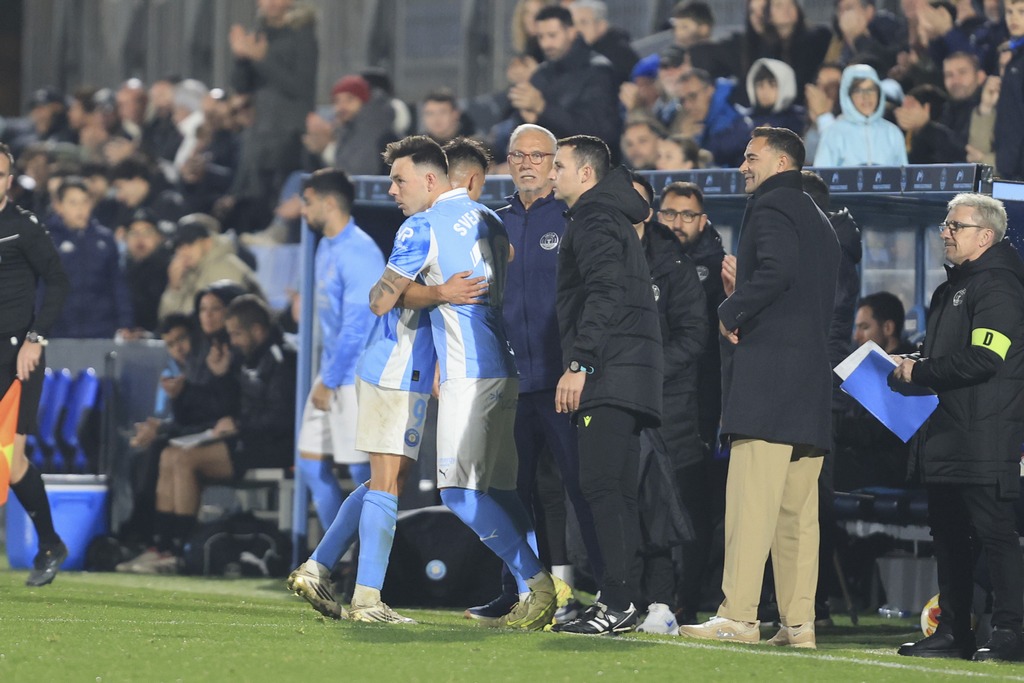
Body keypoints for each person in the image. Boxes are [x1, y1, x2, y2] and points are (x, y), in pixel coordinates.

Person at [364, 135, 567, 630]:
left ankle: (538, 583)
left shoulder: (422, 226)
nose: (393, 190)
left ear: (431, 179)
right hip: (506, 369)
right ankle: (529, 594)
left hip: (467, 371)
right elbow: (507, 260)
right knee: (504, 491)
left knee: (458, 493)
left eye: (400, 180)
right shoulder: (491, 218)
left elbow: (379, 300)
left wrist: (434, 292)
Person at [679, 127, 840, 649]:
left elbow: (776, 269)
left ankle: (739, 615)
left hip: (769, 382)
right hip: (808, 386)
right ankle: (798, 625)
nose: (743, 166)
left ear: (780, 163)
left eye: (751, 157)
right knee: (797, 517)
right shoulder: (819, 217)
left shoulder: (771, 206)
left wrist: (731, 308)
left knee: (750, 505)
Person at [466, 123, 604, 626]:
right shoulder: (491, 223)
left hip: (565, 381)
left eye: (538, 156)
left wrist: (582, 365)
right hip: (509, 384)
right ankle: (518, 593)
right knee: (510, 494)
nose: (526, 164)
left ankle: (609, 595)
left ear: (554, 164)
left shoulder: (573, 218)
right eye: (517, 155)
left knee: (584, 490)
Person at [893, 193, 1024, 662]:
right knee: (948, 535)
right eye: (945, 225)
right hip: (947, 430)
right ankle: (953, 630)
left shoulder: (999, 285)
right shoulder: (951, 288)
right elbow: (949, 356)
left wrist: (920, 371)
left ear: (985, 235)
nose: (945, 233)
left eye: (956, 226)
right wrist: (910, 363)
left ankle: (1011, 632)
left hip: (984, 433)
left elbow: (987, 357)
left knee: (994, 534)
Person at [548, 135, 663, 634]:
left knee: (601, 487)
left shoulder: (593, 217)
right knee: (616, 491)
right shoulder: (610, 215)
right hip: (629, 372)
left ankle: (616, 603)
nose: (551, 174)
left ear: (586, 174)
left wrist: (580, 364)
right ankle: (623, 602)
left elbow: (604, 292)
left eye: (559, 166)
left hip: (610, 372)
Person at [628, 172, 708, 635]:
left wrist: (647, 372)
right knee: (627, 504)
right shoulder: (603, 252)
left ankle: (677, 603)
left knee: (671, 510)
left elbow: (693, 335)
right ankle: (630, 599)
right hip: (622, 402)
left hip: (669, 408)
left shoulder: (673, 263)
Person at [294, 169, 381, 533]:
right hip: (331, 370)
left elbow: (357, 327)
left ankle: (375, 554)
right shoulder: (325, 246)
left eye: (307, 202)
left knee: (363, 471)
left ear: (329, 203)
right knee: (310, 463)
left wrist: (329, 380)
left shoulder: (361, 252)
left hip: (354, 374)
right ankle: (337, 554)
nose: (302, 211)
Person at [0, 142, 71, 586]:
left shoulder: (22, 227)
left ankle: (49, 543)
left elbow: (59, 282)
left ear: (9, 181)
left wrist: (35, 338)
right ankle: (50, 544)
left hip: (16, 359)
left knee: (10, 460)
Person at [655, 181, 727, 622]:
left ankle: (688, 597)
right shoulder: (648, 258)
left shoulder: (718, 270)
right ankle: (660, 593)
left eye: (687, 215)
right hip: (659, 398)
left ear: (704, 221)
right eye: (670, 213)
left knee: (694, 506)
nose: (677, 222)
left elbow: (711, 346)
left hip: (701, 404)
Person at [229, 0, 317, 217]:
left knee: (280, 194)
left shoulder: (302, 33)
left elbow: (301, 86)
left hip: (289, 130)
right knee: (255, 198)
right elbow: (242, 85)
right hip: (260, 129)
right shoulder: (260, 31)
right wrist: (241, 58)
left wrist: (262, 59)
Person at [510, 6, 621, 152]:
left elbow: (597, 132)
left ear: (571, 32)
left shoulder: (598, 71)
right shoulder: (542, 74)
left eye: (552, 35)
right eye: (541, 37)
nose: (545, 44)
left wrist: (542, 108)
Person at [45, 176, 133, 339]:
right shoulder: (46, 240)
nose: (80, 209)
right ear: (59, 206)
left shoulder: (105, 239)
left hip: (102, 330)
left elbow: (117, 283)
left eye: (84, 202)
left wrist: (125, 322)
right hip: (59, 331)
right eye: (73, 203)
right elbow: (40, 287)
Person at [157, 213, 263, 318]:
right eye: (178, 247)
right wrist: (174, 287)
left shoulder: (224, 267)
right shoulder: (189, 271)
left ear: (207, 242)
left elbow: (200, 320)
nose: (183, 252)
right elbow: (168, 320)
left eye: (189, 244)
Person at [814, 63, 908, 167]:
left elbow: (903, 174)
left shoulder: (892, 133)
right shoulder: (833, 133)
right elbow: (822, 174)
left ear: (879, 93)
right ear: (847, 96)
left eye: (871, 90)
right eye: (858, 91)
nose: (866, 97)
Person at [672, 69, 753, 168]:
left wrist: (688, 142)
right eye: (682, 100)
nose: (687, 105)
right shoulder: (692, 122)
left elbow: (711, 161)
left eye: (693, 96)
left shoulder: (732, 120)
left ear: (709, 90)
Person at [568, 0, 639, 85]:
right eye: (572, 24)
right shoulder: (571, 51)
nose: (577, 29)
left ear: (601, 25)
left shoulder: (621, 52)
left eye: (583, 23)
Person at [894, 85, 965, 164]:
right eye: (903, 105)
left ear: (926, 108)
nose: (904, 110)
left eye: (911, 105)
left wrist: (925, 127)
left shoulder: (943, 137)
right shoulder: (898, 133)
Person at [995, 0, 1024, 180]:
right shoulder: (1012, 57)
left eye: (1021, 12)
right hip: (1012, 167)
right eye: (1009, 12)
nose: (1014, 18)